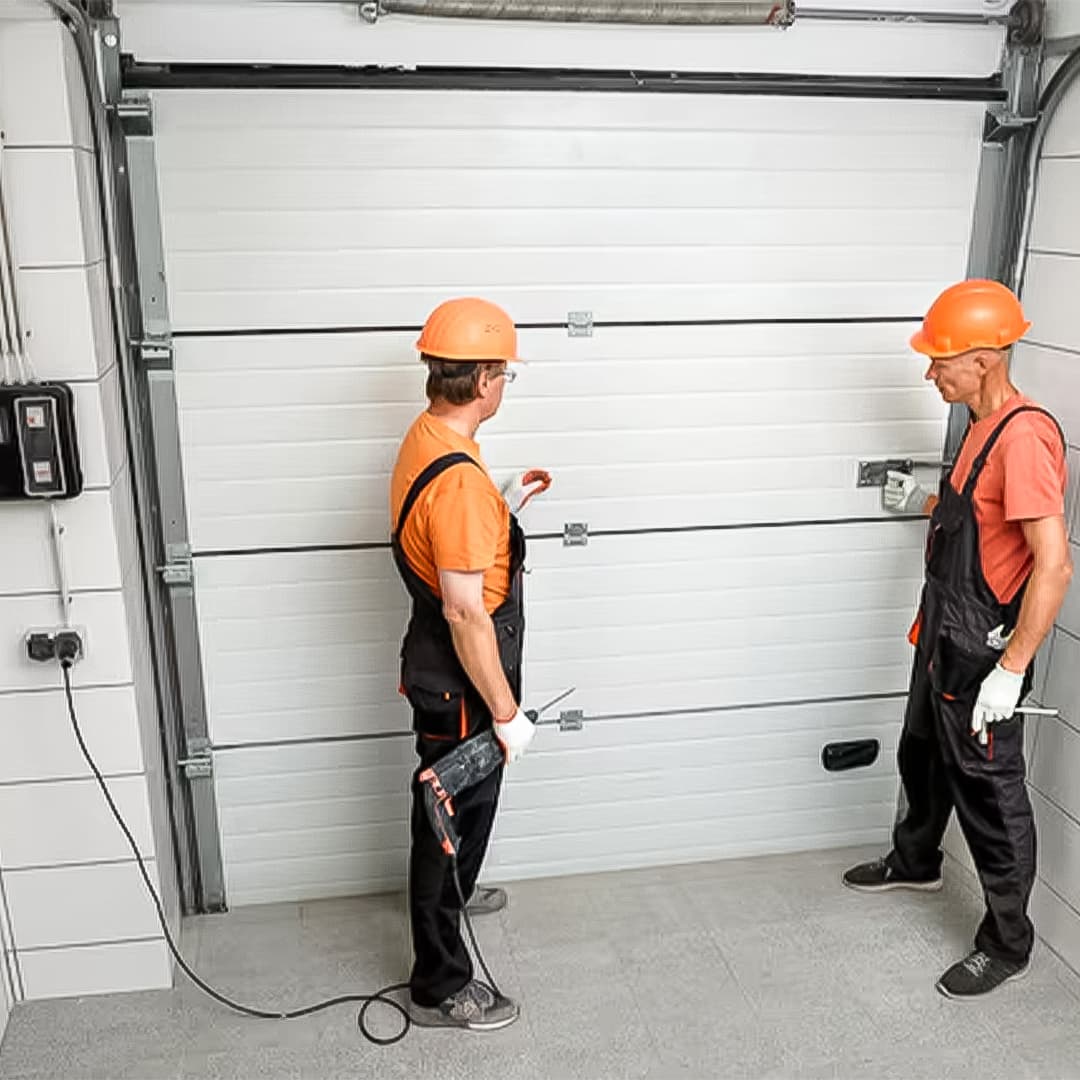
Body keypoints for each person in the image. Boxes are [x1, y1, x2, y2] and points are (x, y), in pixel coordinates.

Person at [843, 279, 1073, 999]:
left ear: (982, 359)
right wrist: (928, 501)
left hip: (981, 652)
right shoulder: (980, 423)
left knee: (990, 794)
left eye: (940, 360)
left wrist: (1010, 670)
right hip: (940, 629)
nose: (929, 372)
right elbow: (977, 518)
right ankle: (916, 860)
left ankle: (1007, 943)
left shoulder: (1025, 437)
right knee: (921, 752)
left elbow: (1053, 564)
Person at [390, 297, 551, 1031]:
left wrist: (503, 502)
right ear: (484, 377)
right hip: (462, 679)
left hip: (446, 662)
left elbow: (452, 541)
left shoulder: (431, 439)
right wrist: (508, 714)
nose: (503, 385)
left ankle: (456, 888)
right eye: (503, 373)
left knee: (456, 818)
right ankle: (440, 981)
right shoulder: (457, 481)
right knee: (451, 817)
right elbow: (464, 611)